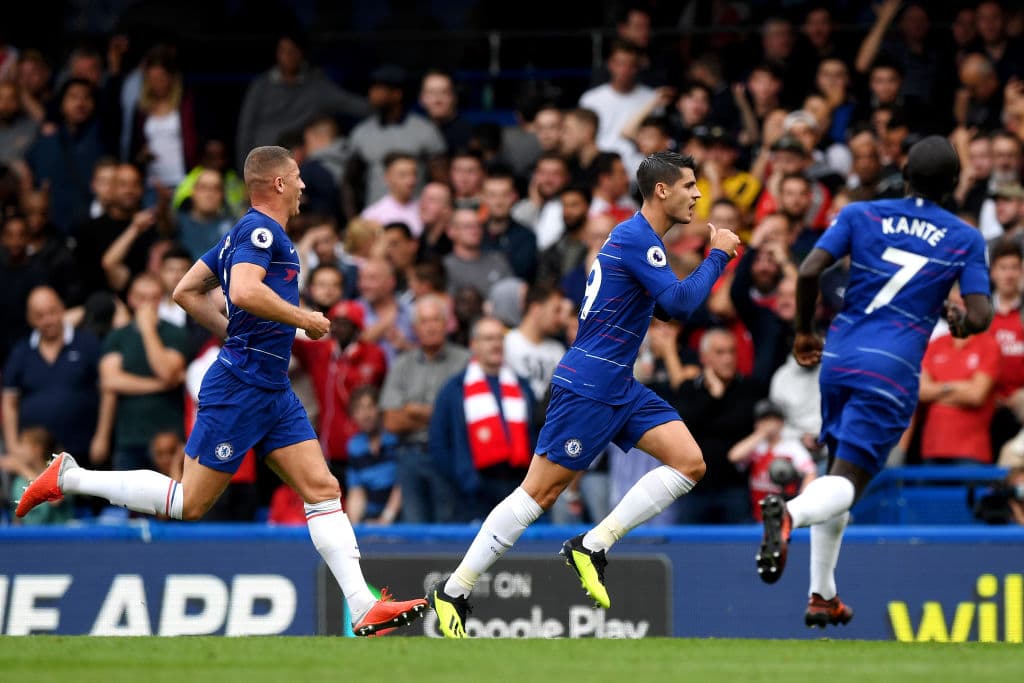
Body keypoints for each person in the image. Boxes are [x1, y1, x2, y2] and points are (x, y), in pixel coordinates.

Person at [16, 145, 427, 637]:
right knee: (191, 503)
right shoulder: (260, 231)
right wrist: (305, 320)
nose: (301, 186)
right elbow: (247, 290)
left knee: (323, 489)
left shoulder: (241, 237)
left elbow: (185, 291)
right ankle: (72, 477)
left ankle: (362, 606)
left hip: (271, 386)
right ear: (276, 183)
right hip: (241, 386)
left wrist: (231, 331)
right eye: (295, 178)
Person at [427, 151, 740, 638]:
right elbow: (677, 304)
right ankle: (455, 589)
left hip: (619, 383)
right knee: (540, 493)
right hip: (591, 385)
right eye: (689, 185)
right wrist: (717, 253)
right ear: (661, 190)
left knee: (689, 463)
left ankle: (592, 545)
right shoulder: (636, 236)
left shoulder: (638, 242)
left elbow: (652, 306)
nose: (698, 194)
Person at [755, 136, 993, 628]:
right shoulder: (964, 236)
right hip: (892, 367)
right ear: (953, 185)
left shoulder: (862, 213)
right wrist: (960, 319)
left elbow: (809, 270)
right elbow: (982, 314)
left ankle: (822, 594)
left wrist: (803, 331)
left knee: (837, 469)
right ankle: (790, 517)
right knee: (848, 481)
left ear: (905, 173)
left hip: (839, 356)